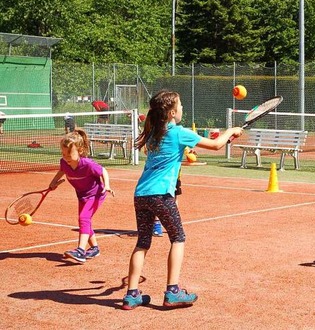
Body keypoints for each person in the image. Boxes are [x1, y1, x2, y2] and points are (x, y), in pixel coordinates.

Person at [122, 90, 244, 310]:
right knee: (178, 238)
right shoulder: (178, 132)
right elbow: (215, 145)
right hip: (161, 194)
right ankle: (173, 291)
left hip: (141, 194)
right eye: (179, 106)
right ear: (170, 113)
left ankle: (131, 295)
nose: (182, 109)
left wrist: (226, 137)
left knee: (142, 242)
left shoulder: (151, 131)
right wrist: (230, 132)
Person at [48, 129, 114, 264]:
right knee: (85, 220)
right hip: (82, 195)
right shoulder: (64, 163)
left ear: (80, 151)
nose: (65, 157)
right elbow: (61, 171)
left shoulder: (88, 164)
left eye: (69, 154)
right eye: (63, 153)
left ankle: (81, 251)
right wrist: (53, 182)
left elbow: (103, 171)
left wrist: (106, 186)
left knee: (84, 218)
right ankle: (94, 248)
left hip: (96, 194)